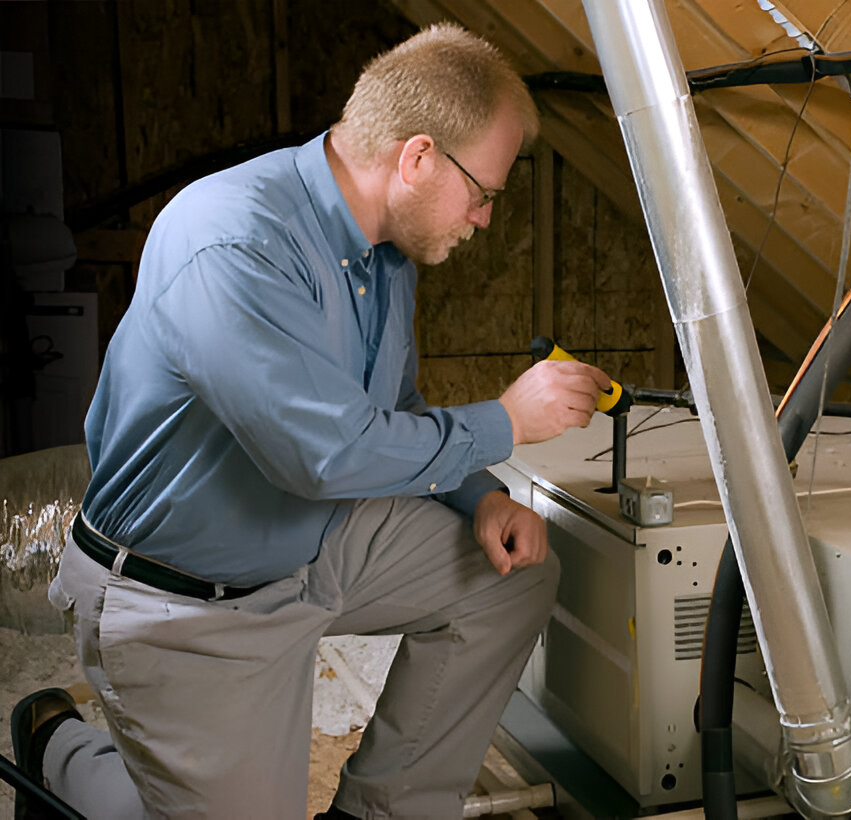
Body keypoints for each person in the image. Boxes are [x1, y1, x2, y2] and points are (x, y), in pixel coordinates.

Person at [10, 24, 610, 820]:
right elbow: (323, 457)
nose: (486, 218)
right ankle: (63, 746)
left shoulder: (384, 254)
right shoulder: (233, 241)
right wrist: (507, 420)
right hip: (184, 605)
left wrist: (482, 498)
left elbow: (391, 418)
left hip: (310, 545)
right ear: (418, 157)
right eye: (486, 192)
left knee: (512, 579)